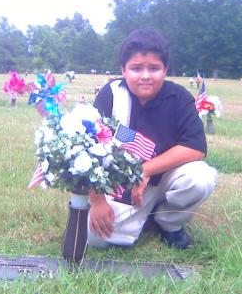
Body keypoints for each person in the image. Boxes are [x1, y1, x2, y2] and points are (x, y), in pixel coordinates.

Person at [88, 28, 217, 249]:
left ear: (165, 69)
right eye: (136, 68)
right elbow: (90, 148)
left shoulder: (179, 98)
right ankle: (142, 216)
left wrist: (145, 170)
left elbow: (195, 147)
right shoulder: (111, 94)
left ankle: (168, 222)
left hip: (164, 179)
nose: (146, 75)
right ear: (123, 70)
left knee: (200, 178)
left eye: (154, 68)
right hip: (122, 184)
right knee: (97, 240)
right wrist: (97, 201)